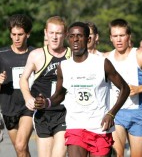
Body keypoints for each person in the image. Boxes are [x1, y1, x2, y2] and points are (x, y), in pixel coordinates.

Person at [33, 21, 130, 157]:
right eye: (72, 36)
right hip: (75, 127)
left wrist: (111, 114)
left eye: (79, 36)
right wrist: (46, 103)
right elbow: (59, 95)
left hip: (100, 128)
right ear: (68, 39)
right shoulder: (64, 66)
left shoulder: (102, 63)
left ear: (88, 39)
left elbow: (125, 89)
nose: (75, 39)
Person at [104, 19, 142, 157]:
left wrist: (140, 89)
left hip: (137, 112)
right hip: (116, 113)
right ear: (110, 38)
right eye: (115, 36)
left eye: (122, 35)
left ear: (129, 36)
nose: (118, 40)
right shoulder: (107, 58)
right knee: (117, 154)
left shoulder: (140, 55)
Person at [20, 16, 71, 157]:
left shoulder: (71, 55)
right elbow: (23, 79)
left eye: (59, 33)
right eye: (51, 33)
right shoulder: (36, 55)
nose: (54, 37)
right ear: (45, 33)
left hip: (64, 113)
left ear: (65, 34)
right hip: (42, 113)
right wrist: (27, 97)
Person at [0, 14, 34, 157]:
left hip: (28, 107)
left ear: (28, 34)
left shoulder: (35, 54)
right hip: (9, 107)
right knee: (21, 150)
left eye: (20, 34)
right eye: (13, 34)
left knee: (21, 144)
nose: (17, 38)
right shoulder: (2, 54)